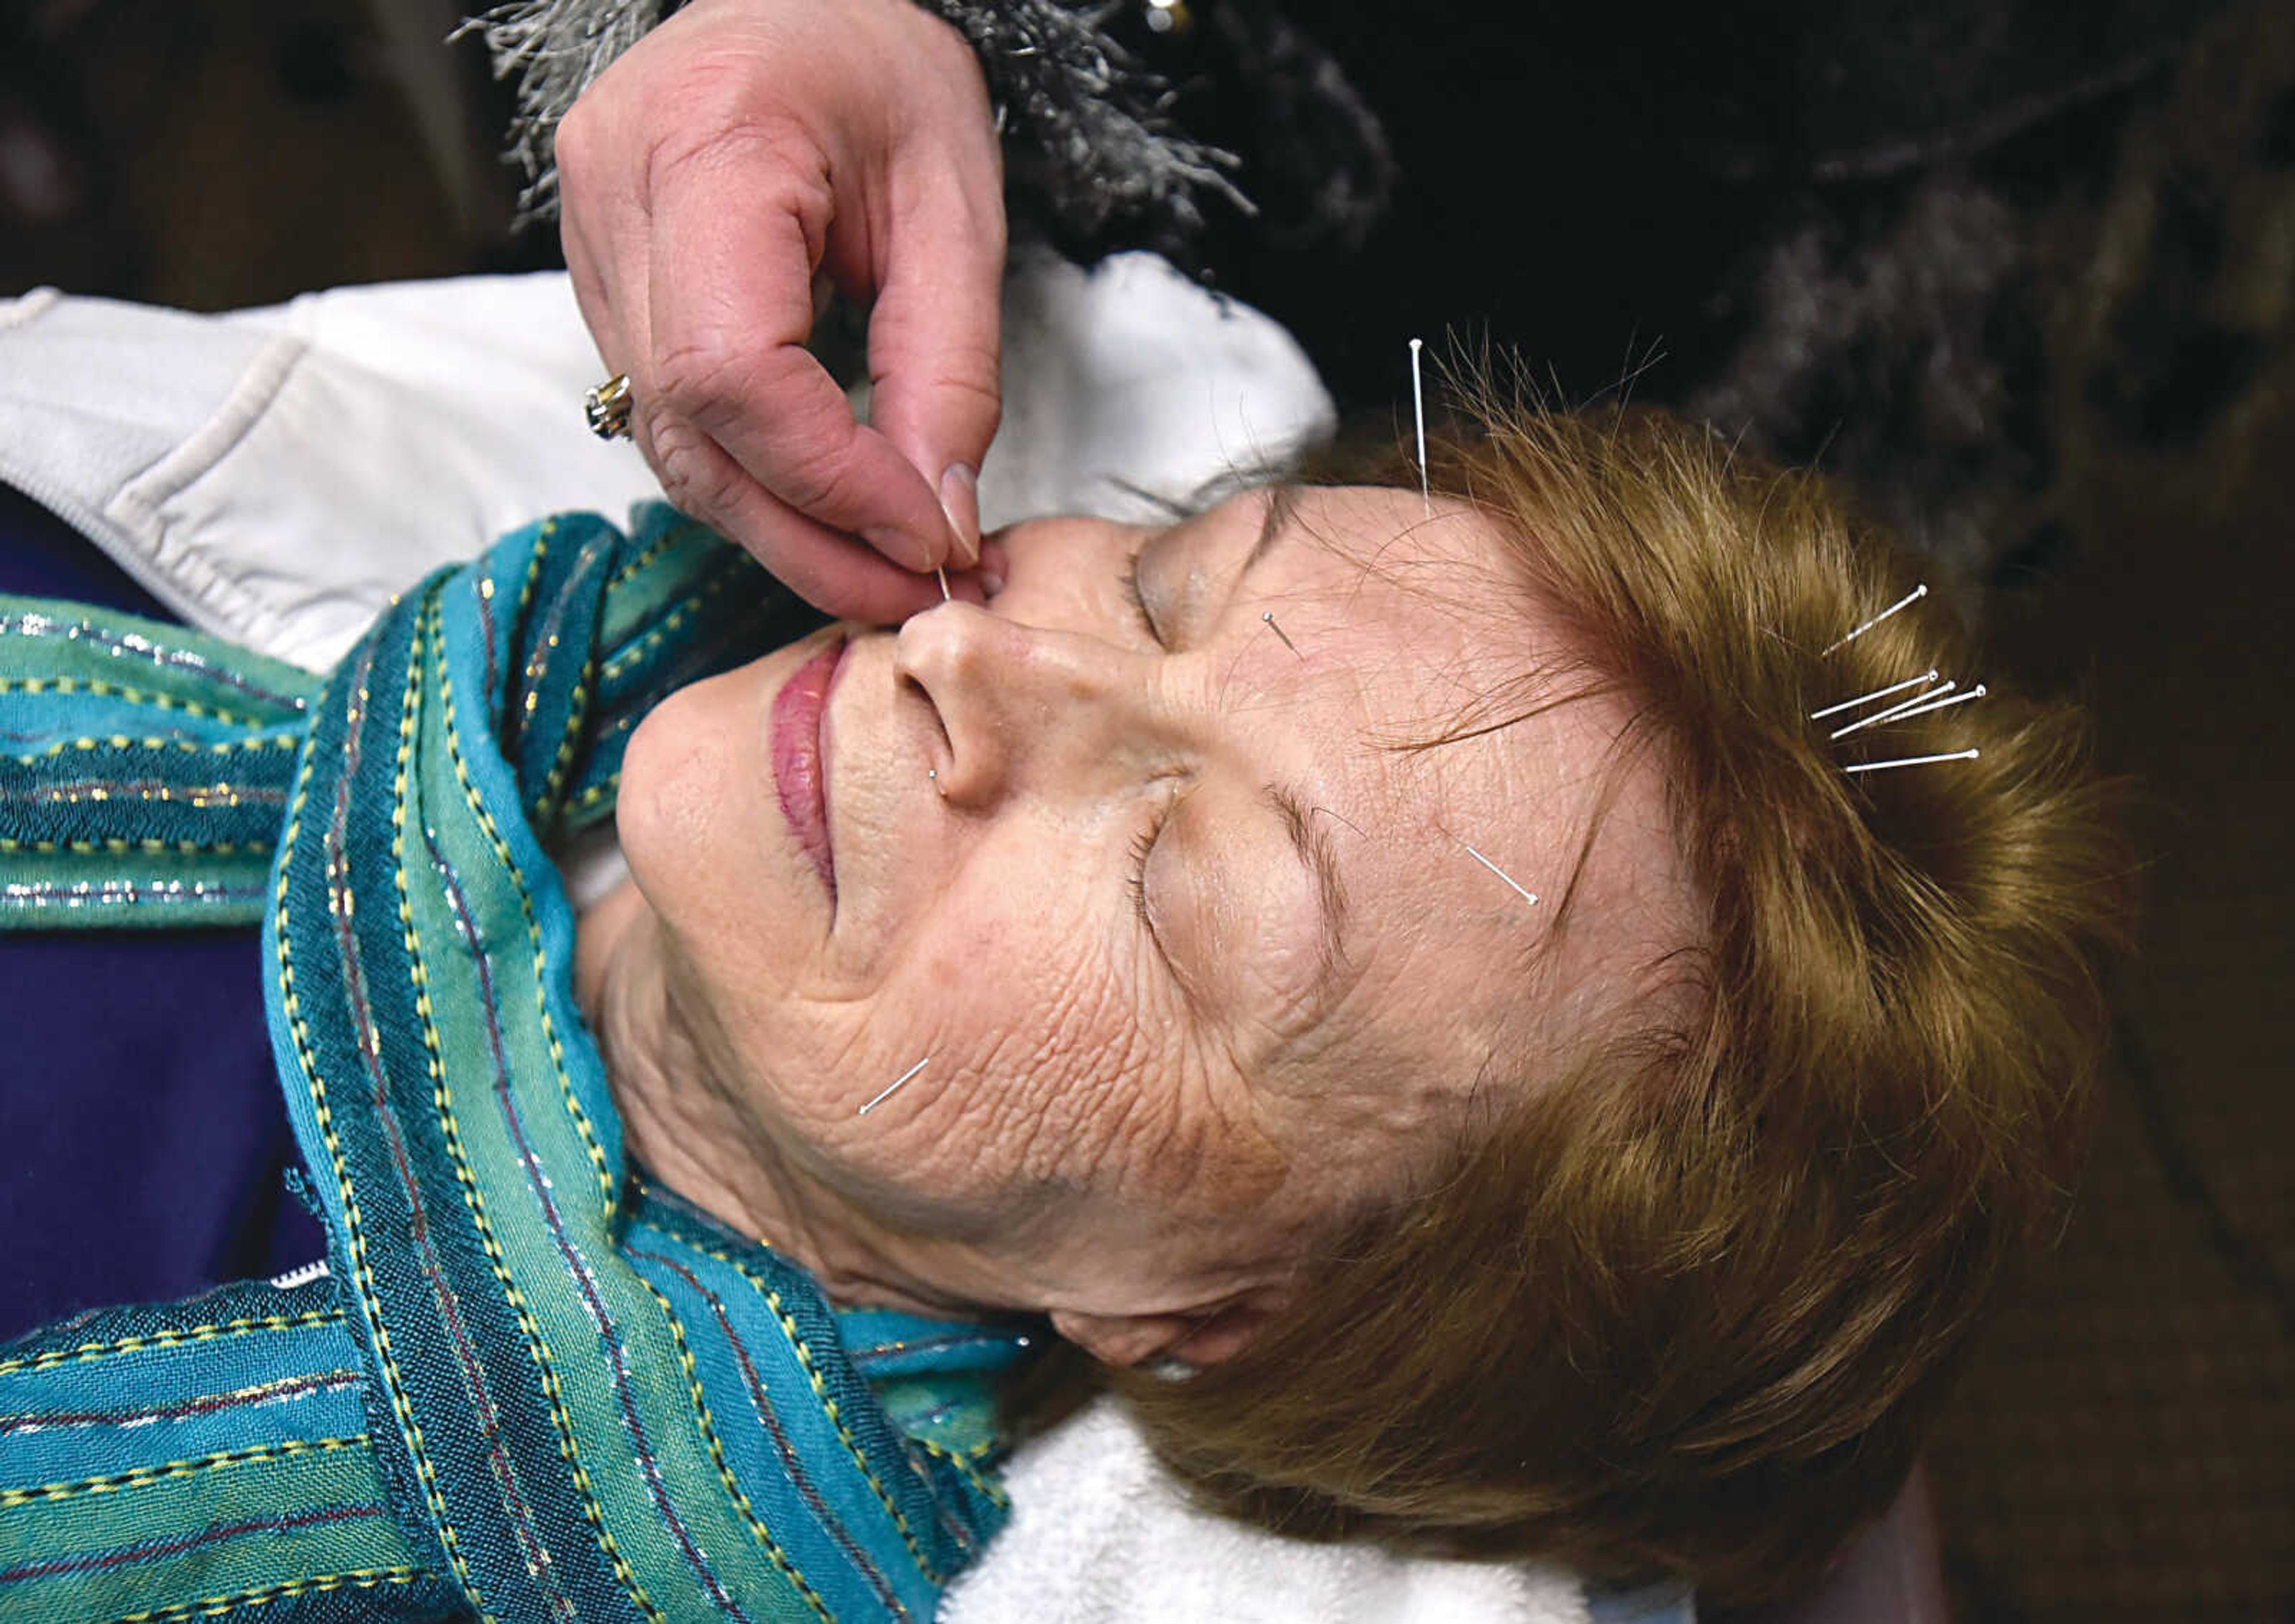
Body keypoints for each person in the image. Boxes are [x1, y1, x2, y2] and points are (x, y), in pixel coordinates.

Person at [0, 365, 2126, 1616]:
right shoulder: (505, 615)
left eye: (1176, 880)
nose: (984, 655)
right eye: (1175, 576)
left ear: (1215, 1312)